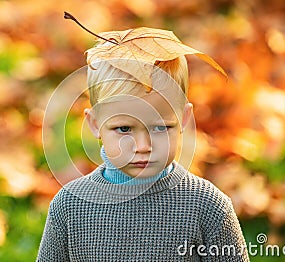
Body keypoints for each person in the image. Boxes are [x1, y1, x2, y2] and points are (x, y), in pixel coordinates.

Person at [37, 27, 250, 261]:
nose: (143, 146)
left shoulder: (207, 207)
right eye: (124, 129)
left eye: (160, 127)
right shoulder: (70, 206)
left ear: (184, 119)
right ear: (95, 123)